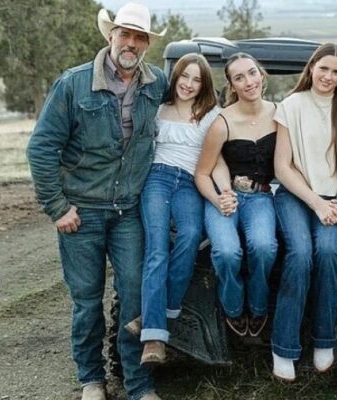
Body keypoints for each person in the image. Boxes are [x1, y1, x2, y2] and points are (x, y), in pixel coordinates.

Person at [26, 3, 168, 400]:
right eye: (125, 34)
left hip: (129, 211)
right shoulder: (73, 84)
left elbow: (189, 110)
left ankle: (138, 384)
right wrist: (57, 207)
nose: (131, 43)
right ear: (111, 36)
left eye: (139, 37)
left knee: (135, 296)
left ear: (146, 44)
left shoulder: (157, 83)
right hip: (82, 211)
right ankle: (91, 379)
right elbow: (41, 148)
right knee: (87, 301)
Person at [271, 43, 337, 381]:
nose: (328, 76)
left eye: (336, 72)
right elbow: (282, 167)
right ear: (312, 67)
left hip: (333, 200)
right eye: (323, 68)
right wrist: (316, 203)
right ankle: (283, 347)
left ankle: (324, 339)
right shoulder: (291, 105)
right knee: (300, 254)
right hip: (295, 195)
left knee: (328, 252)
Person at [138, 53, 220, 365]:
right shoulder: (159, 108)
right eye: (184, 76)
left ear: (204, 84)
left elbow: (218, 158)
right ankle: (153, 339)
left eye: (196, 79)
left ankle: (163, 313)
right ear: (176, 77)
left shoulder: (212, 114)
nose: (188, 84)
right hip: (157, 178)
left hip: (190, 181)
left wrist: (224, 191)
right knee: (157, 249)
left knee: (191, 235)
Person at [195, 53, 278, 338]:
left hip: (260, 197)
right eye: (239, 78)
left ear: (261, 75)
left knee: (264, 248)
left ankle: (258, 306)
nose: (249, 82)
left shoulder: (280, 115)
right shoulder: (222, 123)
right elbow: (202, 173)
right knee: (227, 252)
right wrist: (218, 199)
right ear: (232, 85)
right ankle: (232, 307)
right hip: (224, 195)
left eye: (252, 73)